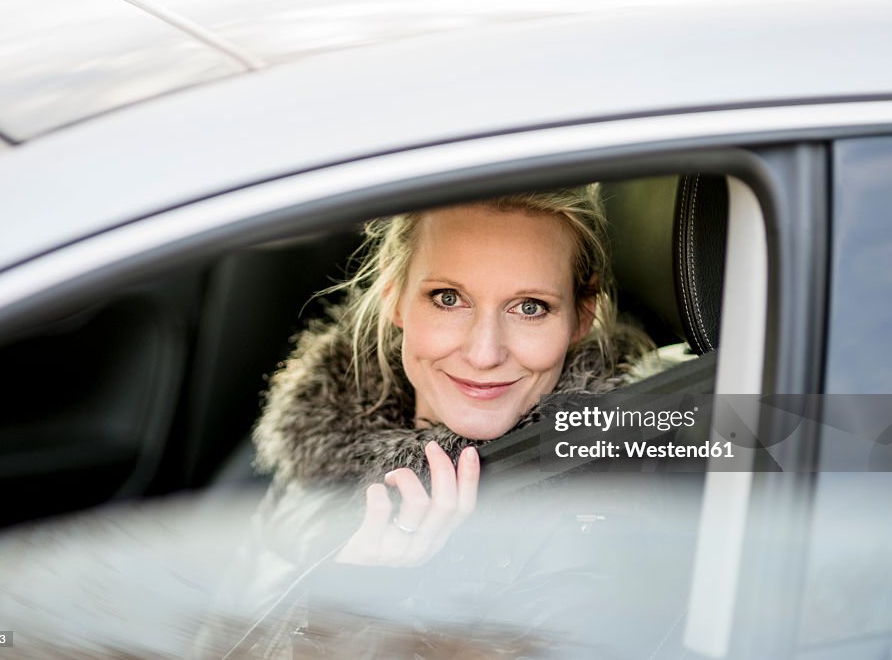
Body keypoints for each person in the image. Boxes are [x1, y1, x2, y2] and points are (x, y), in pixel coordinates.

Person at [197, 185, 654, 658]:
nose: (484, 353)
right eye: (448, 298)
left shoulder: (592, 518)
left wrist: (354, 623)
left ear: (582, 315)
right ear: (395, 298)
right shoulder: (319, 436)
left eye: (530, 307)